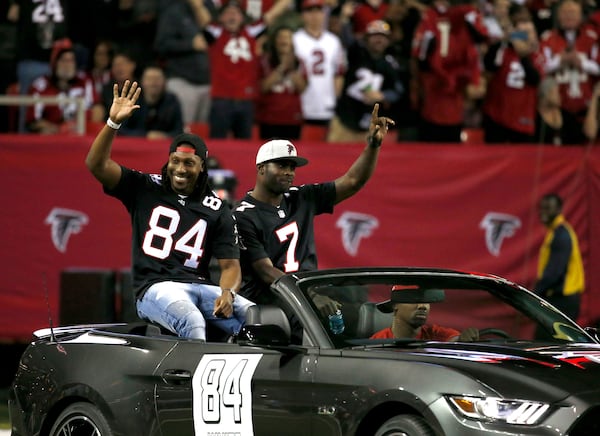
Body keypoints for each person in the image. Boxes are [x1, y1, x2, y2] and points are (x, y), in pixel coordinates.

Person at [85, 79, 254, 342]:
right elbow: (96, 164)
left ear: (202, 167)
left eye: (189, 162)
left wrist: (228, 294)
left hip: (201, 286)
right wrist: (113, 123)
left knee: (256, 318)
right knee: (192, 320)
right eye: (175, 160)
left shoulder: (217, 207)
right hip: (155, 288)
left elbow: (230, 266)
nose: (180, 168)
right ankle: (192, 383)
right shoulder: (145, 187)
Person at [233, 104, 395, 307]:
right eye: (281, 165)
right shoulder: (242, 216)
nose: (289, 172)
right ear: (261, 168)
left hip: (304, 291)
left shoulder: (301, 197)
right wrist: (307, 298)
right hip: (269, 301)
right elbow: (265, 271)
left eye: (292, 167)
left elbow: (353, 181)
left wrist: (373, 145)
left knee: (355, 297)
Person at [328, 19, 402, 142]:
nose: (379, 40)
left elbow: (398, 90)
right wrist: (346, 17)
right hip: (345, 122)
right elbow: (347, 39)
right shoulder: (355, 54)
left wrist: (382, 95)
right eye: (375, 36)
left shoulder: (390, 63)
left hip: (371, 128)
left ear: (388, 40)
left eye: (383, 36)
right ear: (367, 38)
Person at [481, 4, 545, 144]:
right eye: (521, 32)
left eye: (530, 31)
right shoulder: (502, 50)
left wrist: (523, 55)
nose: (526, 35)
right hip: (496, 117)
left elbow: (534, 79)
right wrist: (505, 38)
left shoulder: (538, 55)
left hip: (523, 120)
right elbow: (488, 67)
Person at [25, 38, 100, 134]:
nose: (67, 65)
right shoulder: (40, 86)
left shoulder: (85, 81)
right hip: (55, 136)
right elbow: (33, 122)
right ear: (55, 63)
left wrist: (78, 125)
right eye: (63, 60)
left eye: (71, 60)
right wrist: (59, 129)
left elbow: (99, 110)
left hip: (83, 133)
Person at [293, 0, 347, 132]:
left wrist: (335, 101)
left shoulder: (333, 41)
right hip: (300, 104)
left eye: (318, 11)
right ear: (302, 15)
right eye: (310, 11)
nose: (314, 16)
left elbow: (339, 73)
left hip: (327, 103)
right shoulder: (295, 39)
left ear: (324, 14)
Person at [535, 193, 585, 322]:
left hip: (563, 299)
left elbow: (554, 272)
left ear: (558, 210)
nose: (543, 212)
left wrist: (535, 294)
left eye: (548, 208)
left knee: (546, 340)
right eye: (542, 208)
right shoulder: (555, 232)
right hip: (561, 297)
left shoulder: (561, 234)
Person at [256, 24, 308, 140]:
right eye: (281, 37)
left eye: (288, 37)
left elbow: (302, 88)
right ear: (274, 41)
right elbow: (263, 87)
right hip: (269, 118)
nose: (284, 41)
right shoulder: (264, 61)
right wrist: (282, 67)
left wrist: (291, 67)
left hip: (293, 118)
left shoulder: (300, 62)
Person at [371, 286, 479, 341]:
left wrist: (463, 339)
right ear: (395, 306)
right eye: (414, 300)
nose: (422, 306)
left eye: (427, 301)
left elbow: (454, 340)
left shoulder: (436, 334)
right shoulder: (377, 342)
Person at [119, 64, 184, 139]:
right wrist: (146, 135)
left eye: (157, 79)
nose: (153, 83)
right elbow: (121, 130)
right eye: (149, 79)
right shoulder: (132, 100)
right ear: (142, 81)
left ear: (164, 82)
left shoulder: (172, 101)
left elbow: (179, 131)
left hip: (163, 145)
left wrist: (164, 136)